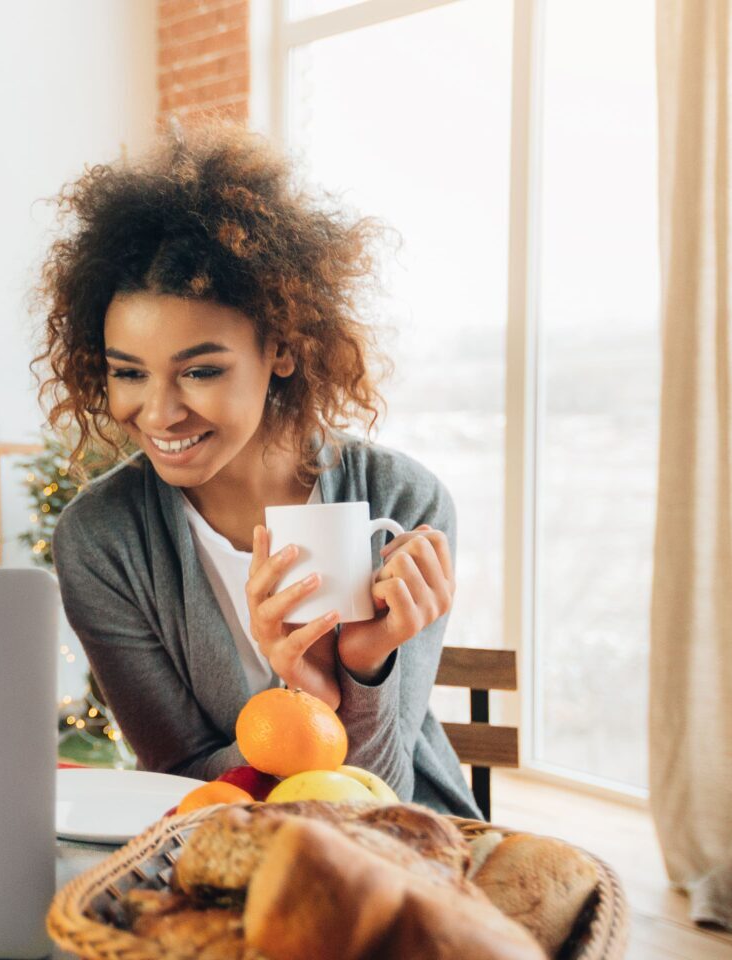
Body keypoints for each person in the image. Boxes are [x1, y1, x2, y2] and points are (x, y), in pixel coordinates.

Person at [38, 127, 478, 816]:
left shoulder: (401, 500)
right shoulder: (103, 538)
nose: (158, 413)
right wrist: (304, 702)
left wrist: (363, 668)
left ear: (282, 347)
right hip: (225, 861)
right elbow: (181, 780)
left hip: (411, 856)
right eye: (128, 373)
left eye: (200, 371)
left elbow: (382, 796)